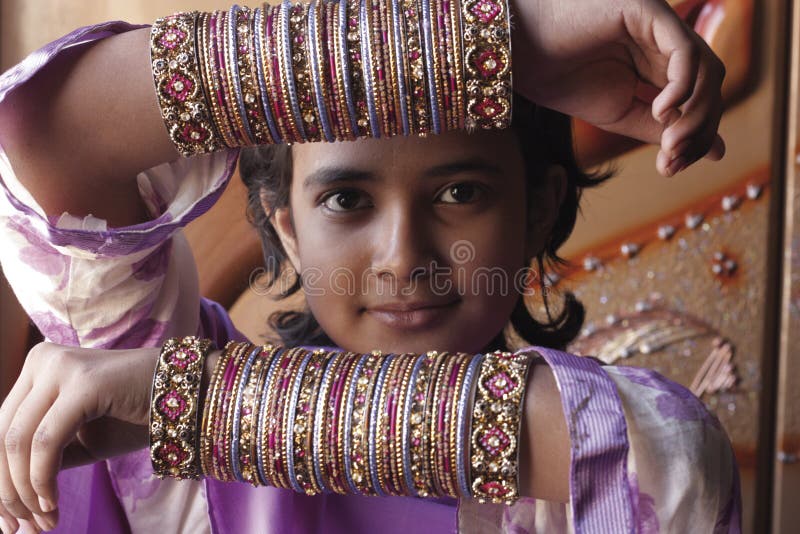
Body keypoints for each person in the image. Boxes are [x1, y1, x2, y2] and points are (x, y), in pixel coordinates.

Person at [0, 0, 736, 532]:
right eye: (348, 199)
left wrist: (192, 408)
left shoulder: (609, 465)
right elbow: (41, 134)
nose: (403, 259)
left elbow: (665, 448)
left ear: (538, 208)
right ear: (286, 228)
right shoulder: (195, 482)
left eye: (459, 192)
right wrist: (481, 45)